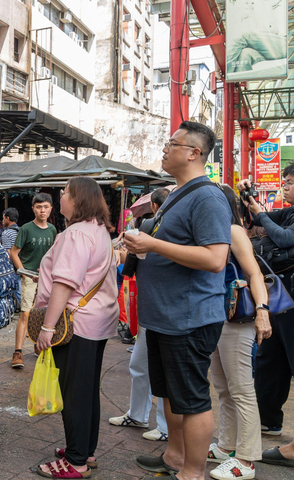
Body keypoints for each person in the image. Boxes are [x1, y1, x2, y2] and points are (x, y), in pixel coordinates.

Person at [124, 121, 232, 480]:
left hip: (188, 316)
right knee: (169, 393)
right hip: (164, 315)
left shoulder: (208, 197)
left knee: (192, 399)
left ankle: (193, 471)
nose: (165, 148)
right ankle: (174, 456)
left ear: (193, 153)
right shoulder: (176, 194)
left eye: (173, 143)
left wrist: (153, 244)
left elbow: (215, 258)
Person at [32, 177, 119, 479]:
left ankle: (76, 461)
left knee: (74, 394)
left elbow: (65, 283)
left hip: (76, 323)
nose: (61, 196)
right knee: (87, 390)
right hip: (97, 321)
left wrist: (47, 327)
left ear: (77, 199)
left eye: (65, 192)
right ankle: (85, 450)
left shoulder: (76, 233)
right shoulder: (99, 230)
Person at [204, 185, 272, 480]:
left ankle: (246, 458)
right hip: (219, 319)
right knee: (223, 388)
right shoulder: (218, 231)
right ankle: (226, 445)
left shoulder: (233, 231)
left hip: (237, 319)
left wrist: (262, 311)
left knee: (241, 389)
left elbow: (255, 273)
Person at [109, 187, 170, 442]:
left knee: (165, 369)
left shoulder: (162, 229)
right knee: (139, 363)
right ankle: (138, 414)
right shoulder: (149, 227)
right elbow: (135, 261)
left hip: (166, 308)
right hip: (150, 305)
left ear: (154, 206)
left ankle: (166, 427)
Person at [237, 166, 294, 436]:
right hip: (280, 299)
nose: (285, 186)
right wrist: (247, 198)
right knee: (269, 360)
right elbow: (260, 220)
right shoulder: (289, 212)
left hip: (290, 301)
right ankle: (268, 420)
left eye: (290, 182)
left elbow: (284, 238)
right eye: (285, 182)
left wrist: (260, 214)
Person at [9, 193, 57, 369]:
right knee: (25, 313)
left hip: (47, 279)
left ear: (51, 209)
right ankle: (18, 352)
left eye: (45, 207)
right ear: (33, 209)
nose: (42, 210)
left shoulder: (52, 230)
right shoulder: (26, 229)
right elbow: (14, 252)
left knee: (45, 314)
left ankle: (39, 346)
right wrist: (23, 272)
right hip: (29, 278)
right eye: (39, 207)